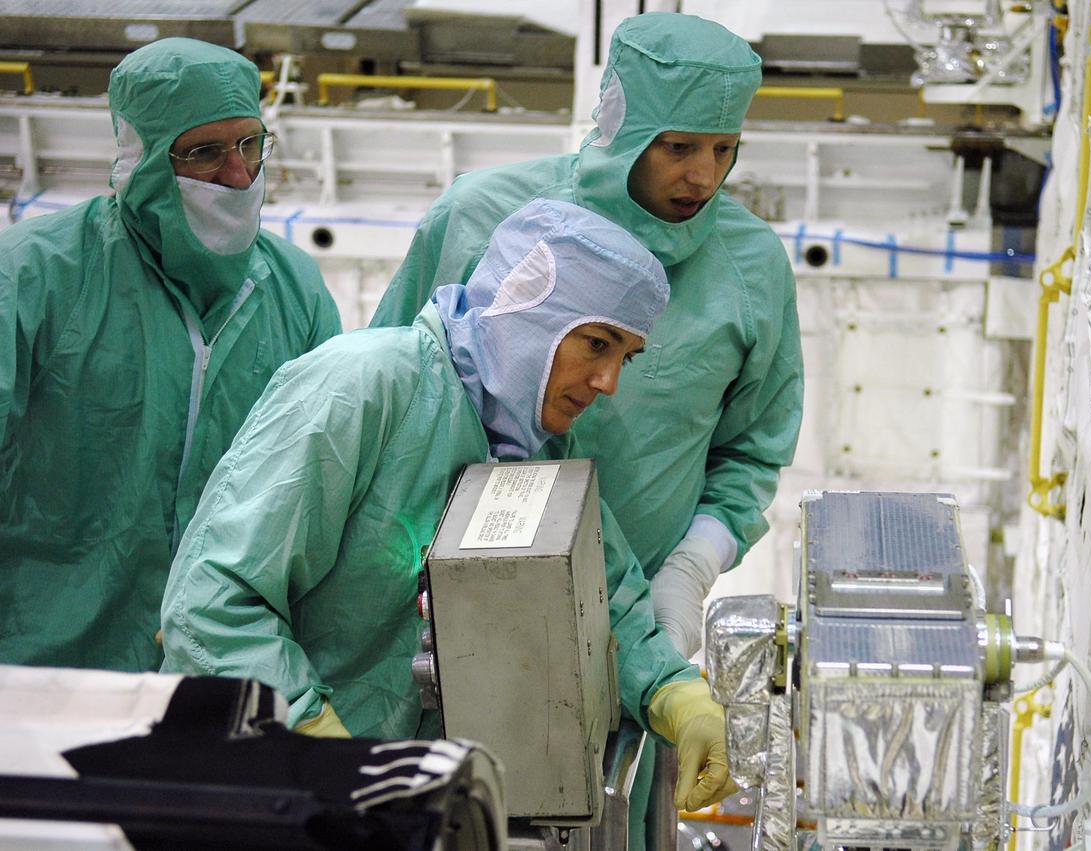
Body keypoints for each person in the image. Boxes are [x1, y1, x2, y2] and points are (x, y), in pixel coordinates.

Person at [160, 198, 736, 814]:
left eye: (625, 357)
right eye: (596, 343)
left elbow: (603, 601)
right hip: (265, 787)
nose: (608, 382)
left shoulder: (529, 450)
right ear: (529, 310)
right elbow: (213, 604)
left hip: (395, 805)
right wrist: (316, 741)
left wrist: (676, 693)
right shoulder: (364, 386)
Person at [370, 12, 804, 661]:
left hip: (628, 627)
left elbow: (750, 451)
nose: (704, 178)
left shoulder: (750, 268)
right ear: (622, 130)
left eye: (724, 148)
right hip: (439, 609)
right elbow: (393, 398)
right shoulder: (478, 218)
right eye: (679, 147)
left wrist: (689, 567)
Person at [0, 38, 341, 672]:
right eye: (203, 152)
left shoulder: (295, 291)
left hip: (225, 672)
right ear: (148, 161)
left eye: (250, 144)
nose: (238, 175)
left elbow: (325, 489)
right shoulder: (34, 277)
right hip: (46, 663)